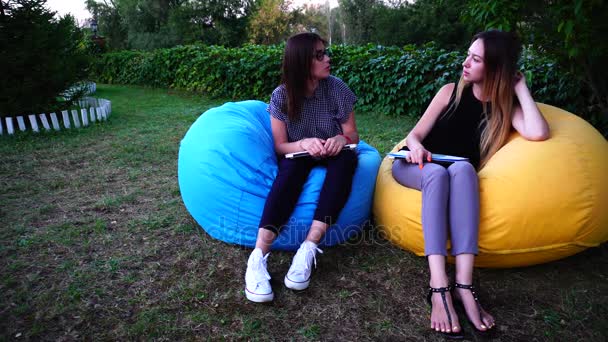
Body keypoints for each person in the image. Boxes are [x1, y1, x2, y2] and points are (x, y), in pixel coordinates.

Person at [392, 30, 549, 338]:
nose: (465, 63)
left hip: (456, 173)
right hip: (416, 166)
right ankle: (438, 287)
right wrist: (417, 148)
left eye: (475, 59)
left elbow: (539, 132)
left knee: (464, 169)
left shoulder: (504, 111)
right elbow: (415, 135)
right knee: (438, 172)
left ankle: (464, 286)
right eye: (468, 55)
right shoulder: (450, 91)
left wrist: (521, 87)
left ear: (494, 69)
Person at [244, 32, 359, 303]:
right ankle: (257, 257)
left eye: (325, 52)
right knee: (290, 172)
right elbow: (280, 146)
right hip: (300, 151)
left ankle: (308, 248)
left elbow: (353, 135)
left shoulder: (337, 88)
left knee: (347, 160)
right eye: (319, 55)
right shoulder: (281, 96)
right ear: (301, 62)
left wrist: (340, 139)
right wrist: (304, 144)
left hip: (333, 149)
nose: (328, 59)